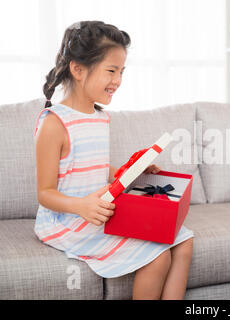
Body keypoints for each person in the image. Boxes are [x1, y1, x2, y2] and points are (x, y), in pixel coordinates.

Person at [34, 21, 193, 300]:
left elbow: (92, 167)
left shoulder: (101, 117)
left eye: (121, 72)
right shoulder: (54, 123)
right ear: (78, 69)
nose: (118, 80)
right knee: (158, 257)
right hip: (68, 221)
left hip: (99, 211)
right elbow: (45, 193)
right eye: (111, 70)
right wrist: (81, 206)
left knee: (184, 241)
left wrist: (129, 172)